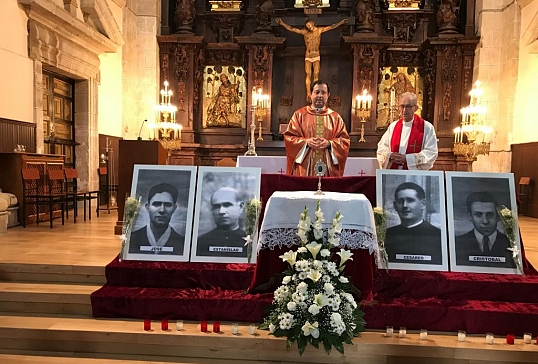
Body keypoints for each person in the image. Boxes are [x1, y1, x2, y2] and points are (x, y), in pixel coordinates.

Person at [283, 80, 350, 177]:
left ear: (328, 95)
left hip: (328, 168)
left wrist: (329, 144)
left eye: (323, 92)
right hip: (305, 168)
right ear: (311, 94)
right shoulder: (299, 115)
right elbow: (289, 138)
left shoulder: (335, 118)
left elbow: (344, 141)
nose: (320, 95)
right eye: (317, 92)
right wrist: (306, 142)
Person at [275, 18, 348, 101]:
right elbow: (292, 29)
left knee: (316, 74)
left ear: (312, 23)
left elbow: (331, 27)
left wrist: (341, 22)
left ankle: (315, 91)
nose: (309, 27)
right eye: (307, 26)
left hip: (316, 54)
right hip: (308, 55)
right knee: (308, 74)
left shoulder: (319, 30)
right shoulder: (305, 32)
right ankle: (308, 93)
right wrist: (282, 23)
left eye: (310, 25)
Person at [377, 92, 438, 170]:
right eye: (402, 106)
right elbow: (382, 148)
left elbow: (431, 153)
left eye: (408, 106)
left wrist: (407, 159)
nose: (404, 110)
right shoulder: (393, 126)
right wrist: (390, 155)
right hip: (393, 174)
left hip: (414, 176)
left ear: (415, 108)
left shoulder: (427, 127)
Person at [385, 182, 442, 265]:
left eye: (410, 200)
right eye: (400, 201)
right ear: (395, 206)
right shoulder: (387, 235)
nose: (405, 205)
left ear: (423, 204)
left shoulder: (438, 235)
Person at [456, 192, 516, 268]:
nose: (485, 221)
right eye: (478, 215)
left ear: (498, 216)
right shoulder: (457, 243)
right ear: (470, 216)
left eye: (490, 215)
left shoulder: (511, 243)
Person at [129, 183, 185, 255]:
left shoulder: (182, 242)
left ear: (174, 209)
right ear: (147, 207)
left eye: (167, 205)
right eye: (156, 204)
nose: (162, 210)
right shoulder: (132, 239)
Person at [196, 187, 247, 257]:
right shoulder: (202, 242)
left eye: (227, 205)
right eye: (216, 207)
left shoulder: (249, 241)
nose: (221, 211)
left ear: (241, 207)